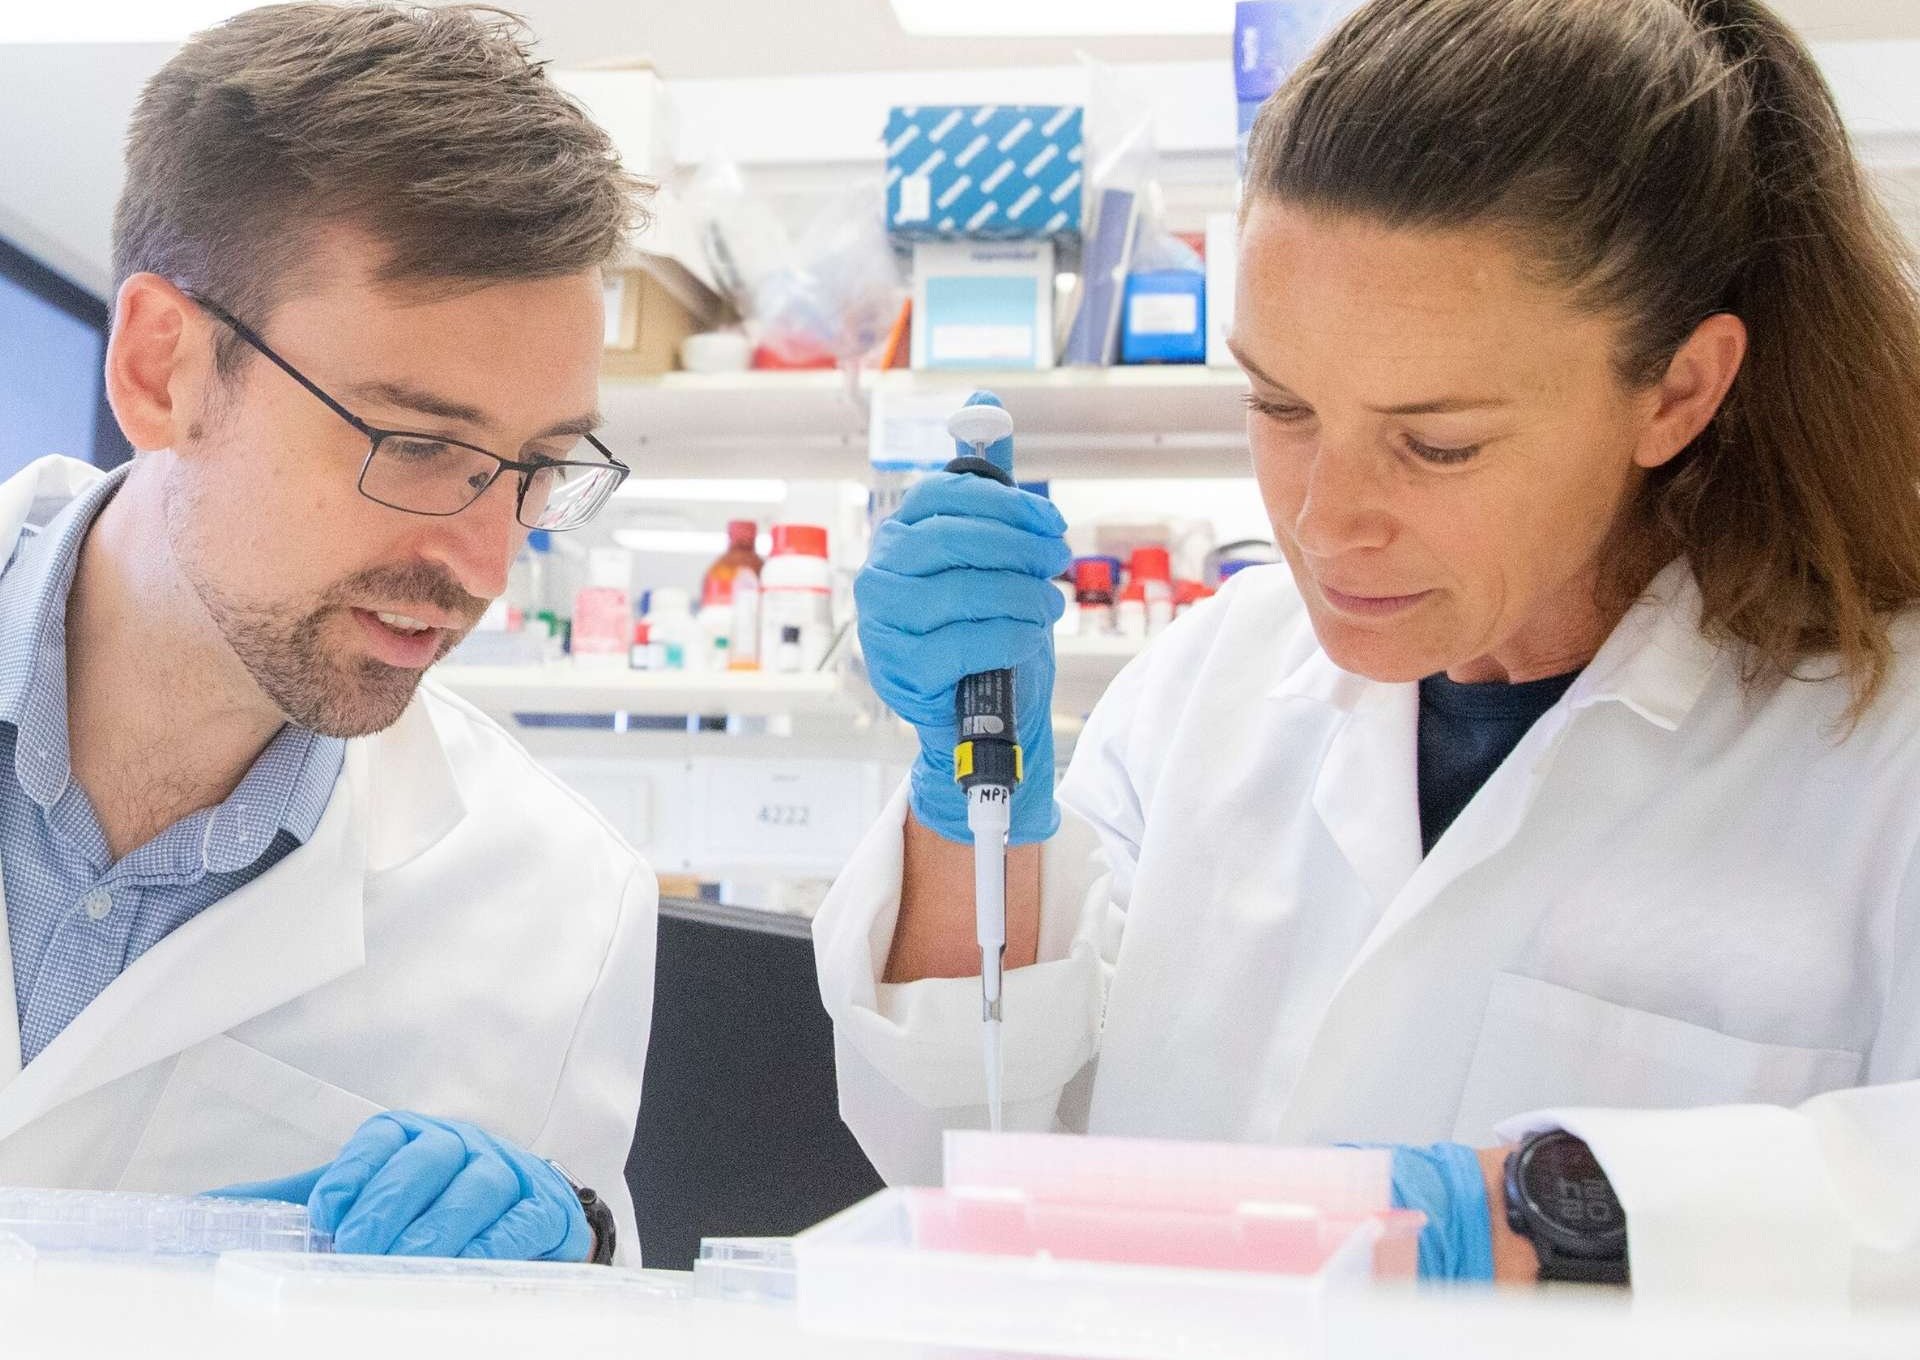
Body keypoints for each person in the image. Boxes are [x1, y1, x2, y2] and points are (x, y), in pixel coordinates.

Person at [820, 0, 1920, 1304]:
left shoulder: (1879, 747)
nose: (1323, 519)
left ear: (1676, 391)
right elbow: (962, 1150)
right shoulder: (1204, 687)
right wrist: (968, 804)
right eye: (1281, 404)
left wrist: (1556, 1209)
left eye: (1437, 440)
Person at [0, 4, 657, 1264]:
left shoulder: (560, 909)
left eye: (538, 467)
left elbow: (577, 1302)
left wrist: (573, 1275)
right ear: (159, 370)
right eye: (414, 443)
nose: (482, 562)